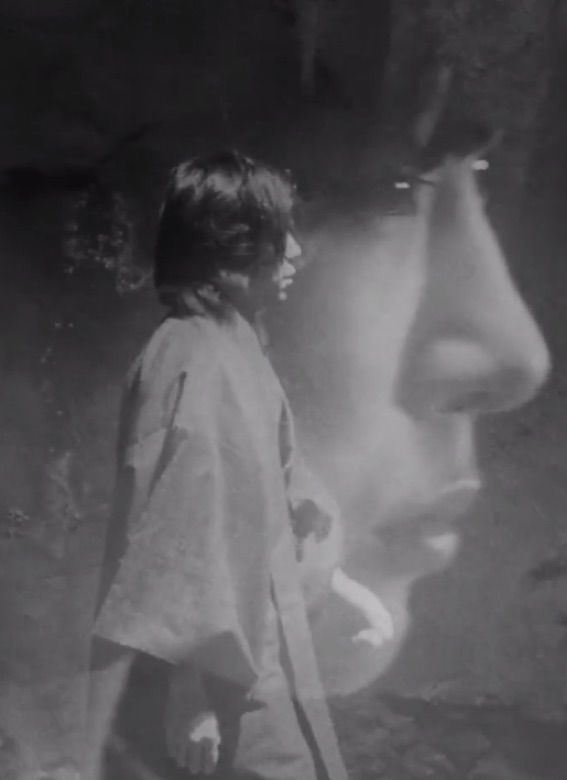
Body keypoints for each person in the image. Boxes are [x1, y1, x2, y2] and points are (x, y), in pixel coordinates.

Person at [85, 150, 386, 780]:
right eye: (280, 237)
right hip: (214, 686)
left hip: (250, 660)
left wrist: (338, 584)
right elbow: (178, 524)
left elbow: (271, 496)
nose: (297, 253)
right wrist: (188, 692)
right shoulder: (193, 356)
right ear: (229, 252)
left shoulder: (231, 346)